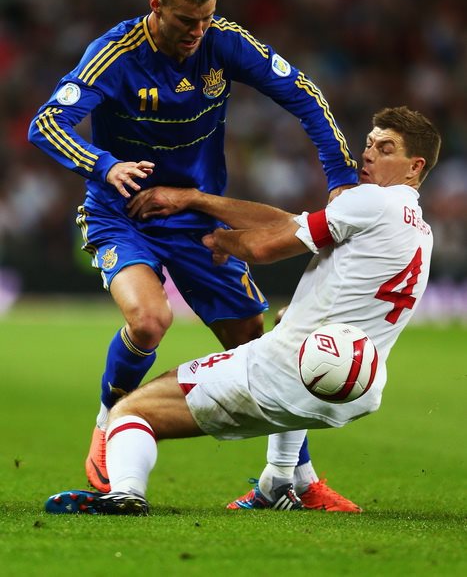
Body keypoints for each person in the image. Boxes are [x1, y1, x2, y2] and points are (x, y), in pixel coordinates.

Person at [28, 0, 357, 495]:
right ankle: (109, 423)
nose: (197, 32)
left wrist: (341, 174)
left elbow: (303, 94)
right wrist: (106, 166)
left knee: (253, 337)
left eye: (206, 17)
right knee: (148, 321)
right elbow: (46, 123)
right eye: (186, 19)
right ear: (155, 5)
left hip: (196, 219)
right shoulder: (116, 54)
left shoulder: (223, 43)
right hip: (122, 215)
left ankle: (292, 477)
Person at [44, 105, 441, 516]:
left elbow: (265, 246)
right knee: (286, 323)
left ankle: (126, 494)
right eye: (369, 144)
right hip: (356, 389)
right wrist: (197, 200)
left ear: (415, 167)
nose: (368, 155)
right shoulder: (418, 229)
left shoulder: (370, 201)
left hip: (284, 374)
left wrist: (220, 242)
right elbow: (289, 222)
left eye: (385, 149)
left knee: (132, 411)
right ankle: (278, 483)